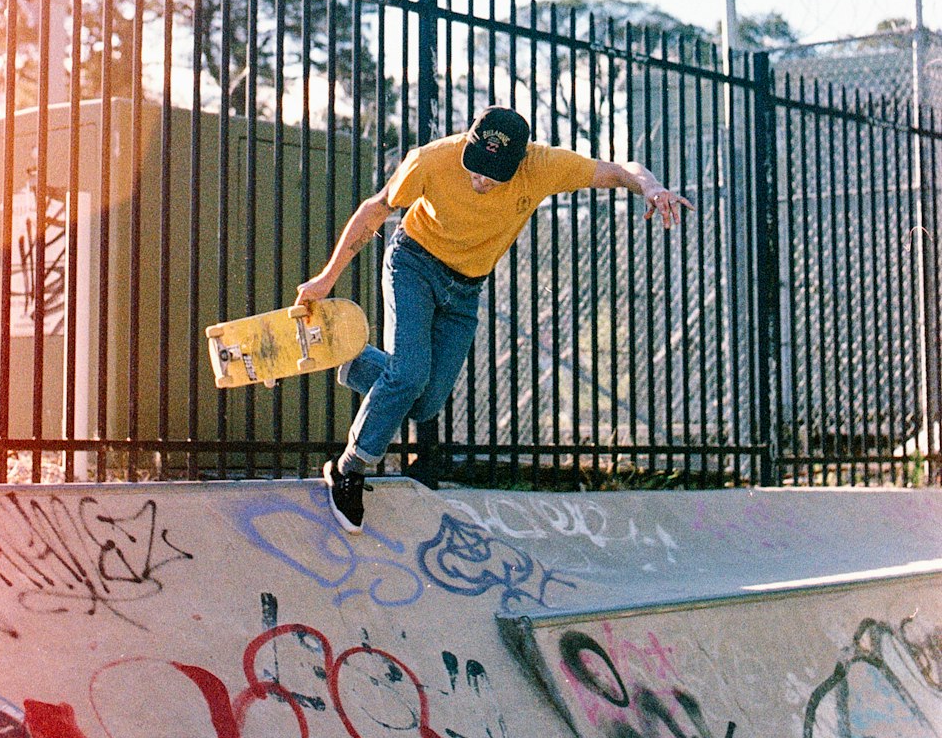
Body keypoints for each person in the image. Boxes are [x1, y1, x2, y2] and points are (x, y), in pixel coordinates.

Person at [294, 106, 692, 533]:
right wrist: (326, 278)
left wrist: (652, 187)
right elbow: (374, 211)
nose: (480, 180)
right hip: (413, 264)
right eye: (475, 168)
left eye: (493, 174)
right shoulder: (430, 159)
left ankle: (356, 363)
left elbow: (619, 171)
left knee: (424, 404)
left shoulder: (545, 166)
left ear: (520, 162)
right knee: (408, 376)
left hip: (466, 289)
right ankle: (350, 467)